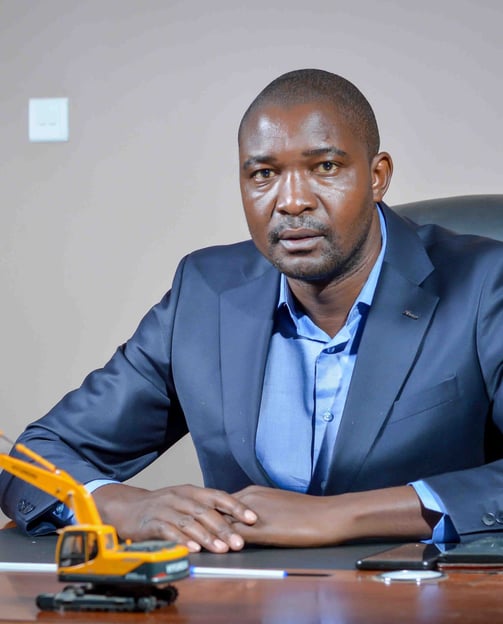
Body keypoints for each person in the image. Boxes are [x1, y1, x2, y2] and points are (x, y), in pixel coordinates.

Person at [2, 69, 503, 554]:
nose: (293, 201)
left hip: (425, 593)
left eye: (325, 167)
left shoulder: (484, 283)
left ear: (377, 177)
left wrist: (337, 516)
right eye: (264, 174)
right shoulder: (205, 293)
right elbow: (35, 456)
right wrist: (122, 506)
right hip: (244, 594)